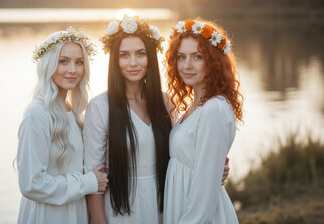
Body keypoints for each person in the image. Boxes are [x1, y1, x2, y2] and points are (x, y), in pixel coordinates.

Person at [83, 16, 230, 224]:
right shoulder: (100, 107)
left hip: (165, 205)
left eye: (140, 54)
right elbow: (93, 175)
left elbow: (182, 148)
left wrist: (214, 168)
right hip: (120, 211)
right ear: (115, 60)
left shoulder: (164, 102)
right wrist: (99, 221)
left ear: (150, 57)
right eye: (124, 55)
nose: (133, 63)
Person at [16, 27, 109, 224]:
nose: (72, 70)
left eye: (79, 62)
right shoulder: (37, 114)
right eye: (63, 61)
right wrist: (87, 183)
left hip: (74, 212)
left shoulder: (73, 112)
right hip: (48, 215)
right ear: (49, 64)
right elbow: (31, 184)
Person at [163, 19, 243, 224]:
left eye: (197, 57)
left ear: (213, 61)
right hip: (181, 205)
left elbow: (204, 193)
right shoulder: (197, 104)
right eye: (181, 57)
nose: (187, 66)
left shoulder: (214, 109)